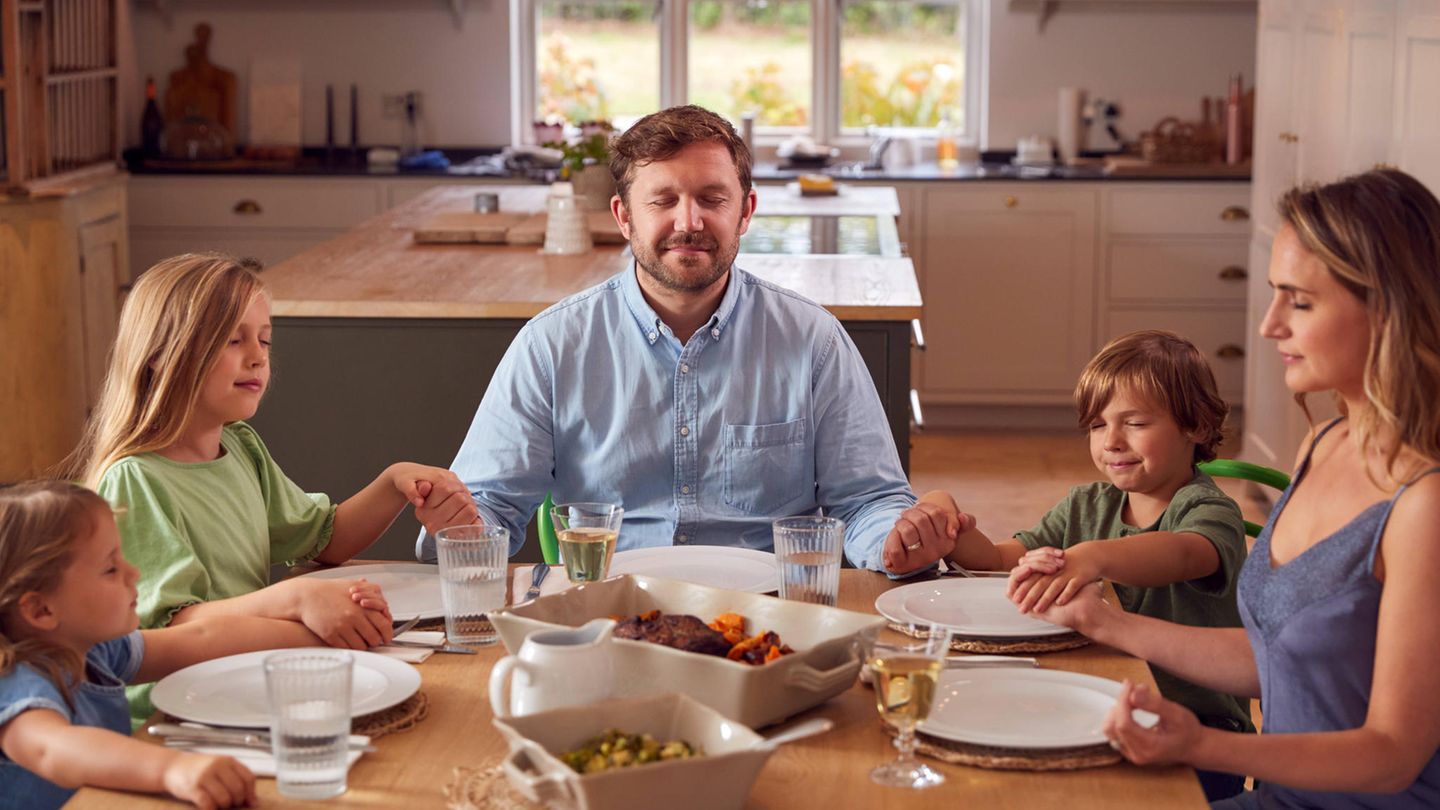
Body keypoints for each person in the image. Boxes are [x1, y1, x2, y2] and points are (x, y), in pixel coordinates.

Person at [1040, 169, 1440, 808]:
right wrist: (1101, 621)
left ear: (1390, 308)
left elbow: (1392, 753)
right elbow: (1279, 658)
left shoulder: (1426, 505)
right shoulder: (1325, 444)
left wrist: (1201, 746)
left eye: (1299, 302)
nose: (1269, 325)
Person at [419, 105, 956, 574]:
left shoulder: (814, 341)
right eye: (664, 200)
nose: (689, 221)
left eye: (711, 198)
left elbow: (868, 501)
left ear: (744, 212)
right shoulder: (551, 346)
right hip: (610, 609)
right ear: (624, 216)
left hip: (769, 615)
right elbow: (488, 507)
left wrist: (896, 539)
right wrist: (461, 527)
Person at [66, 253, 477, 725]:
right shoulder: (134, 480)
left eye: (263, 339)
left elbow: (325, 538)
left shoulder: (240, 447)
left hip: (248, 679)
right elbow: (175, 627)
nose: (258, 355)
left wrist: (393, 482)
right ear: (161, 353)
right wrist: (297, 601)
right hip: (179, 713)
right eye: (232, 339)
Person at [925, 329, 1252, 801]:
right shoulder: (1085, 505)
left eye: (1135, 423)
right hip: (1098, 713)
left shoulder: (1206, 509)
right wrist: (947, 525)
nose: (1112, 441)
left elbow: (1184, 552)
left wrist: (1091, 557)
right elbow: (997, 560)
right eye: (1098, 425)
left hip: (1197, 736)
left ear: (1195, 427)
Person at [0, 480, 329, 809]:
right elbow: (52, 749)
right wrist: (171, 768)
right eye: (110, 568)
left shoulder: (95, 650)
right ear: (41, 610)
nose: (134, 572)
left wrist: (322, 640)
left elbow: (199, 640)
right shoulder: (18, 685)